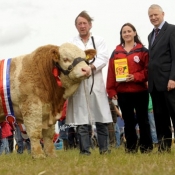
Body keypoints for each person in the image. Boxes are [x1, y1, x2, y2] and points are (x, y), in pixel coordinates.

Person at [66, 11, 112, 155]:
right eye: (79, 24)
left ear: (90, 25)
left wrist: (90, 67)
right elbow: (67, 60)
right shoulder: (71, 43)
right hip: (79, 85)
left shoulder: (99, 40)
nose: (82, 26)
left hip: (95, 82)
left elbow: (103, 57)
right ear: (76, 26)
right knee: (81, 120)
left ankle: (104, 150)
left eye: (85, 23)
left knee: (101, 117)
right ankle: (85, 152)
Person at [106, 23, 153, 153]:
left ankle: (146, 148)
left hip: (140, 91)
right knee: (128, 122)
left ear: (134, 33)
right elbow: (111, 73)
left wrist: (136, 76)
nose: (126, 34)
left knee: (143, 121)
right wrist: (111, 90)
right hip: (123, 93)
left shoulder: (143, 51)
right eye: (124, 32)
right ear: (121, 35)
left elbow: (149, 70)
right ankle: (131, 148)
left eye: (129, 31)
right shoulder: (116, 53)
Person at [147, 4, 175, 152]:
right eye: (150, 16)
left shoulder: (172, 30)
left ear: (163, 14)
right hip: (155, 84)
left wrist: (173, 78)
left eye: (155, 15)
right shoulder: (151, 35)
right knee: (160, 117)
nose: (153, 18)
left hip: (169, 82)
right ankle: (164, 147)